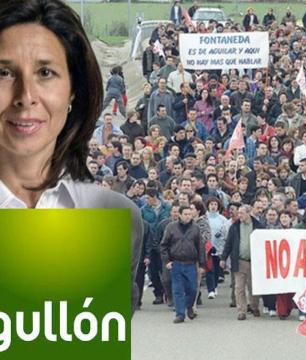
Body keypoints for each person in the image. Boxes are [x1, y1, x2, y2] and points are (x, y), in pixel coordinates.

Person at [0, 0, 142, 314]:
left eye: (45, 73)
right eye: (4, 72)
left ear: (73, 90)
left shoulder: (115, 218)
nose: (25, 97)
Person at [160, 205, 205, 323]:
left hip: (191, 263)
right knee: (178, 289)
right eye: (185, 214)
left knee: (193, 289)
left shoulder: (196, 228)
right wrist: (167, 261)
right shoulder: (171, 227)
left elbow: (200, 247)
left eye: (190, 214)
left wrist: (202, 264)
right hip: (176, 263)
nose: (188, 216)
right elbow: (163, 245)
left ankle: (189, 306)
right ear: (179, 215)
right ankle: (180, 314)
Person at [220, 204, 265, 320]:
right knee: (239, 287)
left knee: (252, 287)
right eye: (238, 213)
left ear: (249, 213)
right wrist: (223, 258)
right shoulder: (234, 227)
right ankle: (241, 311)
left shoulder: (258, 226)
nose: (239, 215)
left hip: (254, 262)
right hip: (239, 260)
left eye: (241, 213)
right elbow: (228, 244)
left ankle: (254, 306)